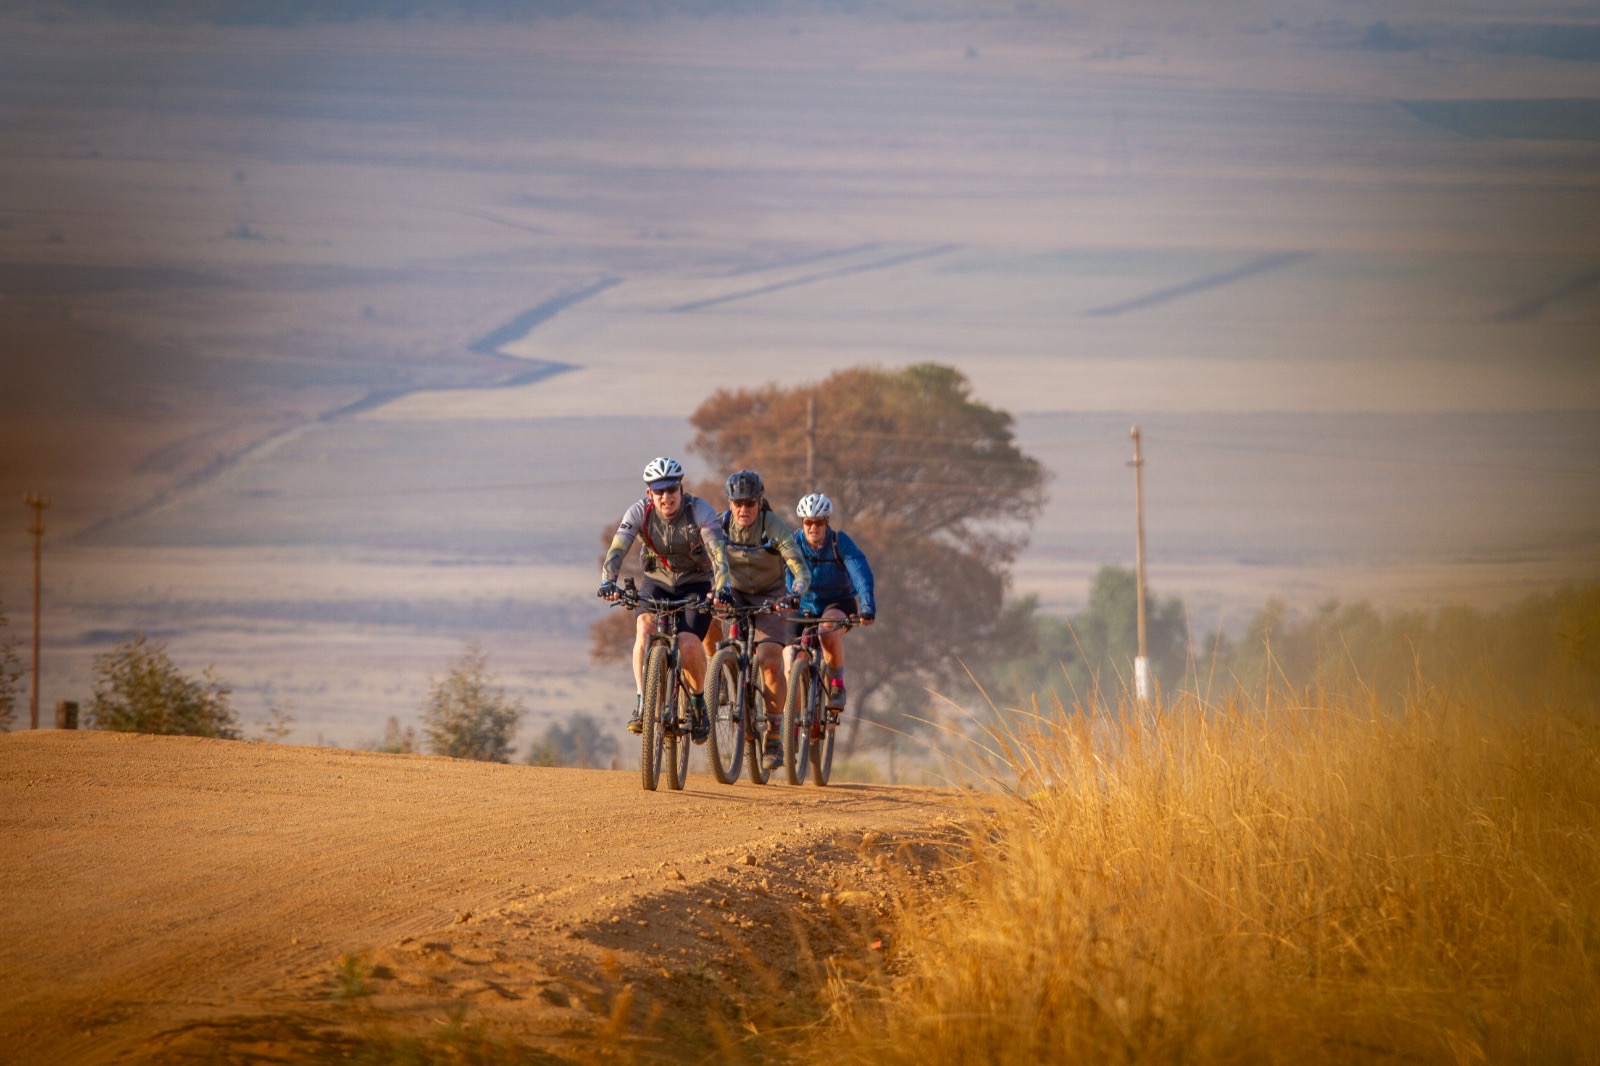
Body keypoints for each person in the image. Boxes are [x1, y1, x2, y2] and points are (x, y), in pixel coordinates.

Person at [598, 457, 732, 739]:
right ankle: (642, 703)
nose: (666, 497)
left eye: (671, 489)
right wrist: (608, 581)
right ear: (650, 493)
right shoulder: (639, 512)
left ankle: (697, 703)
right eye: (659, 491)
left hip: (695, 583)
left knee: (688, 643)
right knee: (644, 628)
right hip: (657, 582)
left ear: (681, 488)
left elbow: (718, 555)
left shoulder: (700, 511)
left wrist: (721, 588)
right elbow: (618, 548)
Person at [716, 469, 812, 770]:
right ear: (730, 504)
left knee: (770, 659)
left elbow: (799, 567)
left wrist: (795, 593)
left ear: (759, 503)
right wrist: (714, 590)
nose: (743, 509)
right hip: (736, 592)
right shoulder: (720, 525)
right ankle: (721, 676)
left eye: (750, 503)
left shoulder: (773, 526)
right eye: (738, 503)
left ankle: (773, 733)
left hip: (771, 596)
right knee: (709, 618)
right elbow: (708, 560)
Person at [785, 492, 875, 715]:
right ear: (802, 523)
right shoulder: (792, 542)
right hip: (802, 604)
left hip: (838, 602)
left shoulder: (839, 542)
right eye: (808, 522)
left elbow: (860, 573)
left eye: (818, 522)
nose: (813, 528)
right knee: (789, 656)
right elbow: (778, 572)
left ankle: (837, 686)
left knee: (826, 632)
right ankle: (791, 722)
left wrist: (867, 607)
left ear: (826, 522)